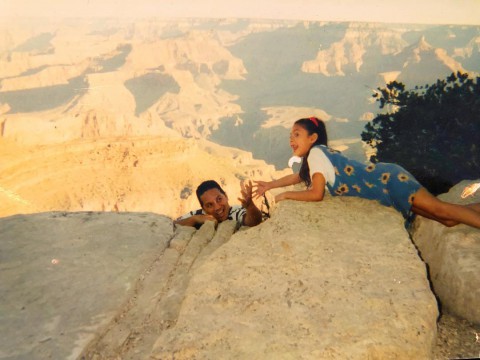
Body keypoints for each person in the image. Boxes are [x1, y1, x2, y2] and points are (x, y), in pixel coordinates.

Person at [254, 117, 480, 229]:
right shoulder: (316, 156)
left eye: (296, 134)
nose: (291, 140)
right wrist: (270, 185)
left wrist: (284, 196)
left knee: (441, 210)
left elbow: (316, 193)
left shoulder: (315, 155)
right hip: (387, 184)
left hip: (389, 181)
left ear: (312, 138)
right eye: (290, 135)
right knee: (447, 220)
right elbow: (298, 177)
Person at [174, 179, 263, 229]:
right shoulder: (199, 215)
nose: (217, 207)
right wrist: (194, 219)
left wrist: (250, 206)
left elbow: (254, 221)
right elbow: (171, 225)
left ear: (226, 196)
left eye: (219, 199)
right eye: (209, 205)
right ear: (203, 208)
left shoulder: (236, 211)